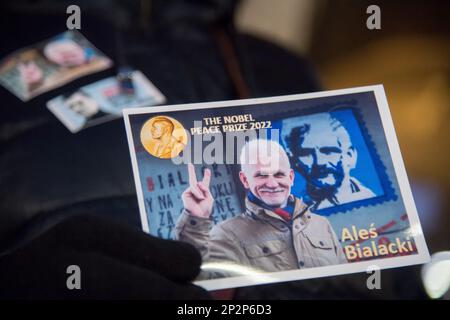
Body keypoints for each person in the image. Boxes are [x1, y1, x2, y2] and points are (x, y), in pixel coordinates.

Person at [174, 139, 346, 278]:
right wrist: (195, 218)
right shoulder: (227, 233)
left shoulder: (321, 224)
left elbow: (345, 279)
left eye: (279, 174)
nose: (272, 184)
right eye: (261, 175)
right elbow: (198, 277)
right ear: (245, 180)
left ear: (291, 177)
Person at [283, 113, 376, 210]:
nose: (319, 162)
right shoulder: (290, 211)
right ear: (294, 162)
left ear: (350, 156)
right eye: (306, 154)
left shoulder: (371, 197)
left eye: (328, 151)